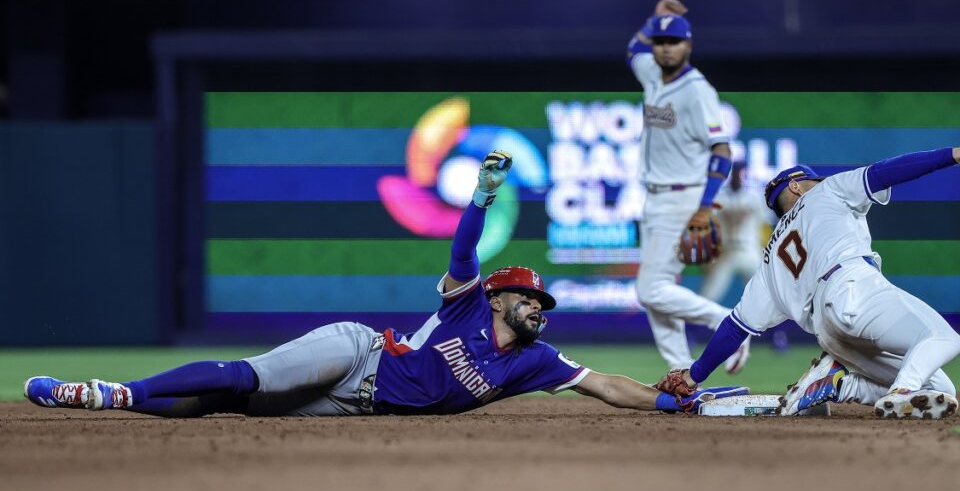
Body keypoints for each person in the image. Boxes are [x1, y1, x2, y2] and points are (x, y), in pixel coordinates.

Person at [25, 151, 745, 418]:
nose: (539, 308)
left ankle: (127, 402)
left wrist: (664, 399)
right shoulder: (467, 300)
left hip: (356, 409)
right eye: (531, 297)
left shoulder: (533, 362)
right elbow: (465, 248)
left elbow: (606, 384)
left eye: (542, 303)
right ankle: (104, 393)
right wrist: (483, 198)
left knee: (219, 407)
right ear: (500, 296)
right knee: (244, 377)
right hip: (359, 354)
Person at [659, 144, 960, 419]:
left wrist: (693, 375)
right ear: (795, 185)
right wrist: (950, 156)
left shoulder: (770, 258)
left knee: (941, 390)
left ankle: (839, 384)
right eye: (812, 179)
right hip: (854, 286)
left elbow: (735, 328)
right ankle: (901, 392)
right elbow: (884, 171)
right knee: (945, 338)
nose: (820, 181)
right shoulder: (828, 191)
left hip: (829, 332)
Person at [627, 0, 750, 375]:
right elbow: (634, 48)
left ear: (688, 45)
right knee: (657, 293)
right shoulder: (651, 72)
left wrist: (705, 205)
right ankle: (681, 371)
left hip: (685, 197)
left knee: (649, 290)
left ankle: (727, 323)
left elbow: (723, 152)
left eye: (674, 41)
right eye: (661, 42)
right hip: (655, 198)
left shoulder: (698, 91)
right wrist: (657, 18)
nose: (666, 49)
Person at [699, 160, 765, 304]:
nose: (738, 176)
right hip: (727, 252)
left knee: (764, 295)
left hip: (750, 250)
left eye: (740, 173)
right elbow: (708, 228)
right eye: (735, 173)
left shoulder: (754, 199)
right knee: (708, 295)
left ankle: (770, 327)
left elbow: (765, 226)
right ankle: (697, 326)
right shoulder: (719, 199)